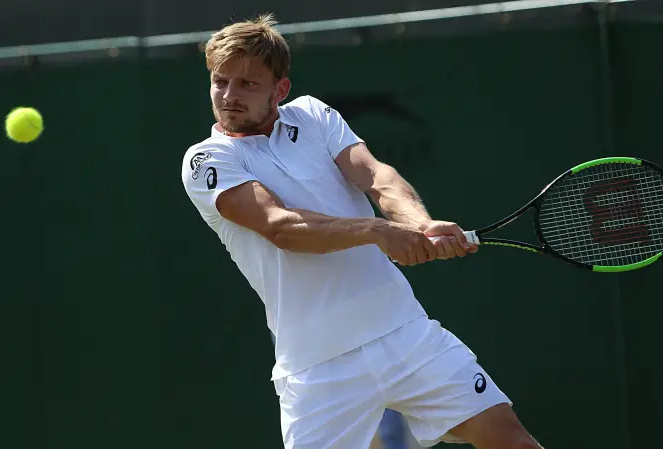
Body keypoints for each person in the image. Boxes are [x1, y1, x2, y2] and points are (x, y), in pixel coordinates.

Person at [181, 13, 544, 449]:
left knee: (513, 442)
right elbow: (281, 227)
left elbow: (376, 177)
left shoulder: (314, 116)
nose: (229, 95)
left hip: (406, 334)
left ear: (281, 90)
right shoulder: (206, 160)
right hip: (318, 368)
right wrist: (378, 230)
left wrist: (418, 223)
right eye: (221, 82)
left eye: (247, 84)